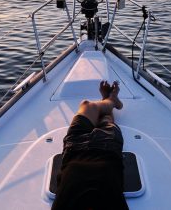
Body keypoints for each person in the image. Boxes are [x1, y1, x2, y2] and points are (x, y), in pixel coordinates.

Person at [51, 81, 129, 210]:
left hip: (74, 148)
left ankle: (109, 101)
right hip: (107, 150)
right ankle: (110, 101)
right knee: (106, 119)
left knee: (87, 105)